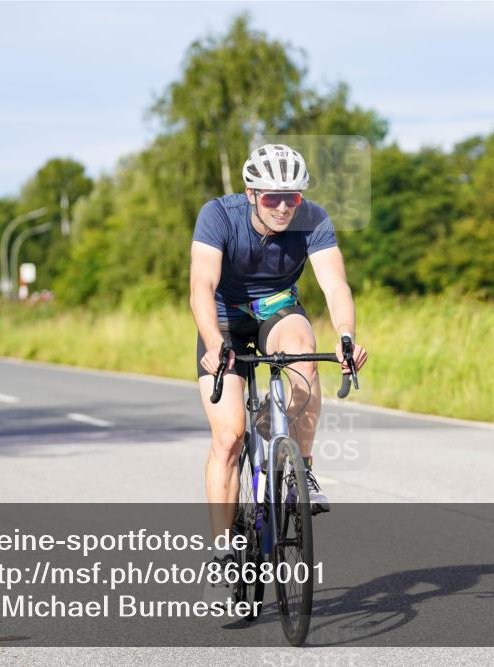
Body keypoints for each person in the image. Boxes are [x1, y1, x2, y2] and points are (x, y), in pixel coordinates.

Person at [190, 144, 369, 594]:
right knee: (229, 435)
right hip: (225, 318)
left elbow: (335, 283)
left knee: (305, 357)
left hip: (277, 309)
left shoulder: (313, 219)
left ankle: (301, 468)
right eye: (273, 197)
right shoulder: (218, 215)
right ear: (252, 193)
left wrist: (345, 336)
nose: (285, 206)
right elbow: (201, 286)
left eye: (293, 197)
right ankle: (222, 554)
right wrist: (214, 345)